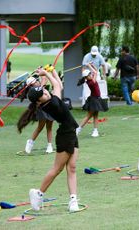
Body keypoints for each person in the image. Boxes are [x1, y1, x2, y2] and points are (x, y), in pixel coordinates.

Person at [17, 66, 80, 212]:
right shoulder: (52, 104)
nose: (46, 92)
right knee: (57, 169)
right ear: (39, 102)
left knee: (72, 168)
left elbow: (57, 86)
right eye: (43, 94)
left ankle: (73, 200)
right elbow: (57, 85)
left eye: (44, 90)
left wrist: (50, 72)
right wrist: (46, 73)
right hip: (65, 135)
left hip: (71, 133)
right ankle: (38, 193)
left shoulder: (49, 100)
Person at [22, 75, 54, 154]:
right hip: (42, 109)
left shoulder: (39, 87)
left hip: (50, 107)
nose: (37, 82)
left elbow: (44, 79)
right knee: (40, 127)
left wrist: (42, 71)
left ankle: (49, 145)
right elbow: (44, 80)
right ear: (31, 85)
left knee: (49, 127)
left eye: (36, 81)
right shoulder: (33, 91)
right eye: (35, 82)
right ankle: (30, 142)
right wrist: (43, 73)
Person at [76, 63, 109, 137]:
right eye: (89, 75)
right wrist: (89, 66)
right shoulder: (91, 82)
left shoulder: (90, 79)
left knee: (96, 116)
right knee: (89, 116)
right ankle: (78, 129)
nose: (91, 75)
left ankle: (95, 131)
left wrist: (92, 65)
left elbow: (95, 71)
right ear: (86, 77)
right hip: (93, 100)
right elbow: (96, 72)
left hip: (96, 99)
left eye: (90, 74)